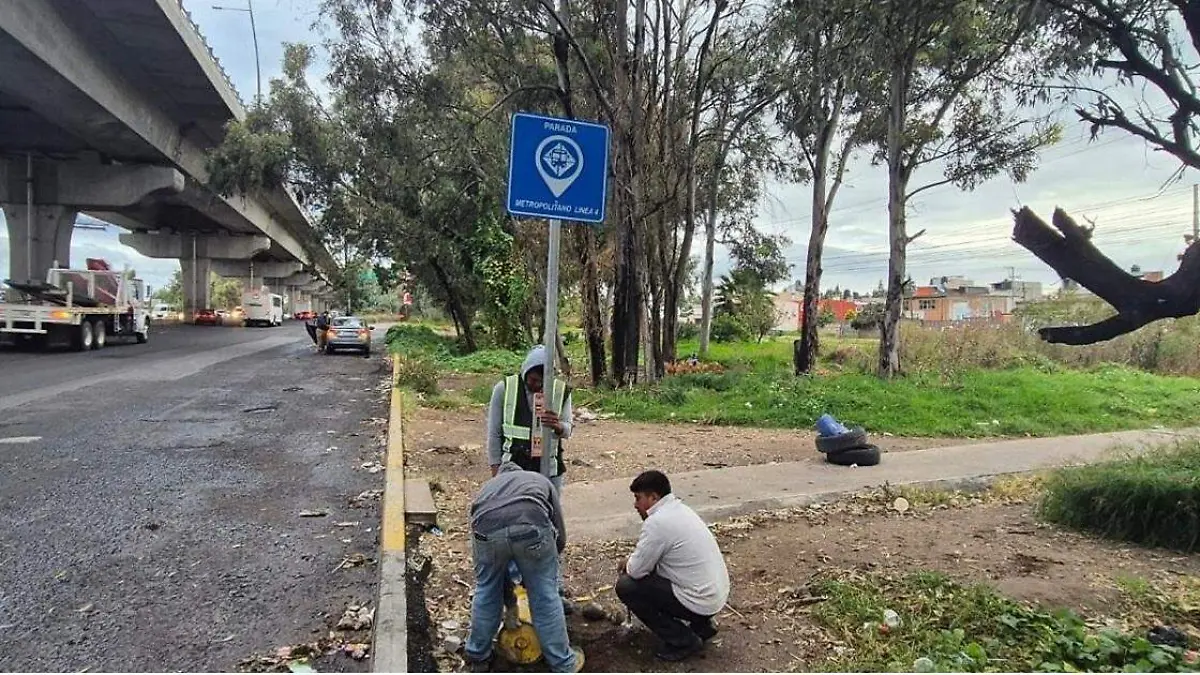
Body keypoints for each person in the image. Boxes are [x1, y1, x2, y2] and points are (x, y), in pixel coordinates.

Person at [464, 463, 584, 673]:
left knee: (486, 589)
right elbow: (559, 529)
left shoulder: (487, 488)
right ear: (520, 472)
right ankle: (563, 663)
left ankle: (477, 655)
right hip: (531, 525)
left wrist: (510, 604)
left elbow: (491, 571)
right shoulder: (539, 481)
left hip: (486, 531)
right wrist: (545, 565)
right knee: (545, 595)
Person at [616, 470, 730, 662]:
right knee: (659, 572)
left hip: (699, 599)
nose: (635, 505)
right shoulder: (680, 510)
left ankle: (683, 640)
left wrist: (627, 562)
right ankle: (702, 625)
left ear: (654, 497)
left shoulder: (657, 523)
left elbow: (635, 571)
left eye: (638, 498)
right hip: (715, 596)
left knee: (627, 586)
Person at [485, 344, 573, 492]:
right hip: (513, 467)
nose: (536, 385)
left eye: (541, 382)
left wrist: (558, 426)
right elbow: (494, 434)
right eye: (533, 380)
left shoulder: (560, 391)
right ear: (525, 371)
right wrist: (496, 471)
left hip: (548, 470)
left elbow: (568, 429)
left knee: (547, 512)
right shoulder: (504, 389)